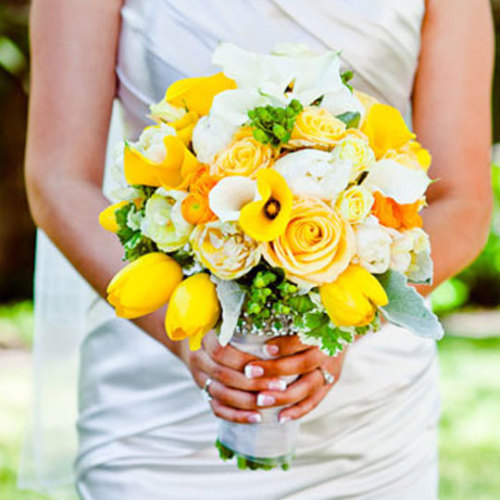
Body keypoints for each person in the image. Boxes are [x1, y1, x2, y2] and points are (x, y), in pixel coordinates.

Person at [24, 0, 493, 499]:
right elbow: (58, 179)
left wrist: (343, 324)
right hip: (157, 404)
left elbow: (460, 199)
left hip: (366, 421)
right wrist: (184, 337)